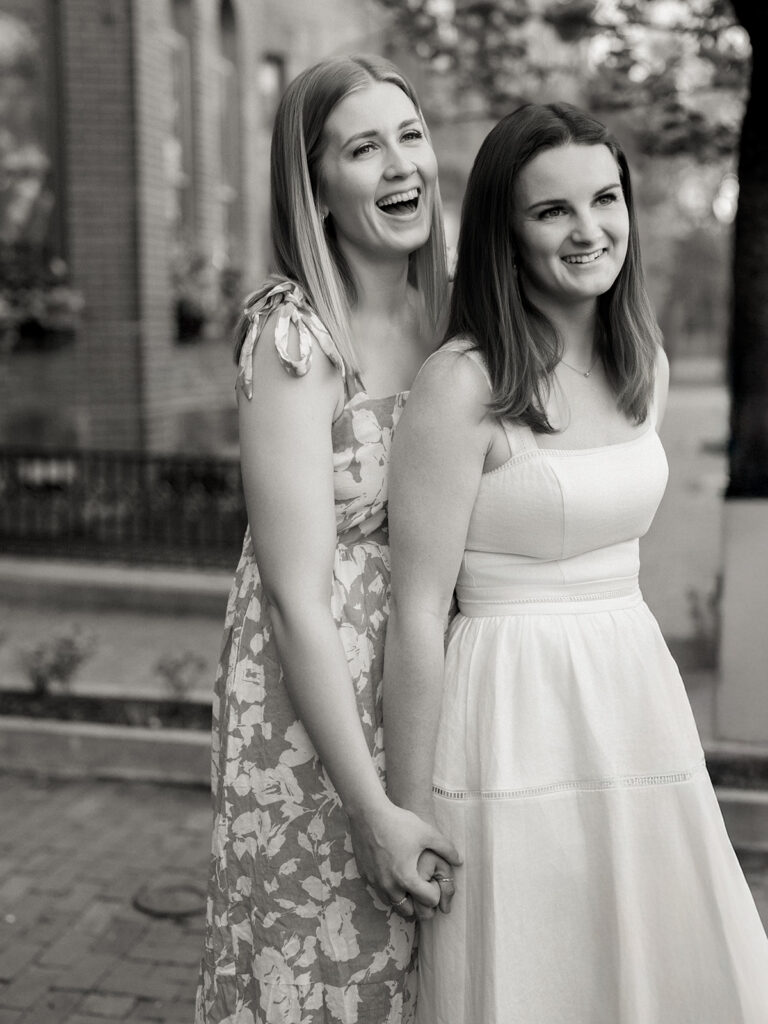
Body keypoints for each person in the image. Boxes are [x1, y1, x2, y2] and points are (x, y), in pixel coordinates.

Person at [384, 102, 768, 1023]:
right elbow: (416, 611)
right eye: (553, 210)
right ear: (505, 235)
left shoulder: (645, 361)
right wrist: (401, 814)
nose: (590, 230)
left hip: (632, 694)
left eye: (605, 199)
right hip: (510, 708)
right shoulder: (462, 384)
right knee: (534, 965)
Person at [195, 55, 461, 1024]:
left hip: (441, 676)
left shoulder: (460, 312)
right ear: (317, 186)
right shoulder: (294, 336)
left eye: (410, 136)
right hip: (321, 713)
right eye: (363, 148)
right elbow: (293, 595)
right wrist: (367, 804)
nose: (401, 166)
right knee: (327, 972)